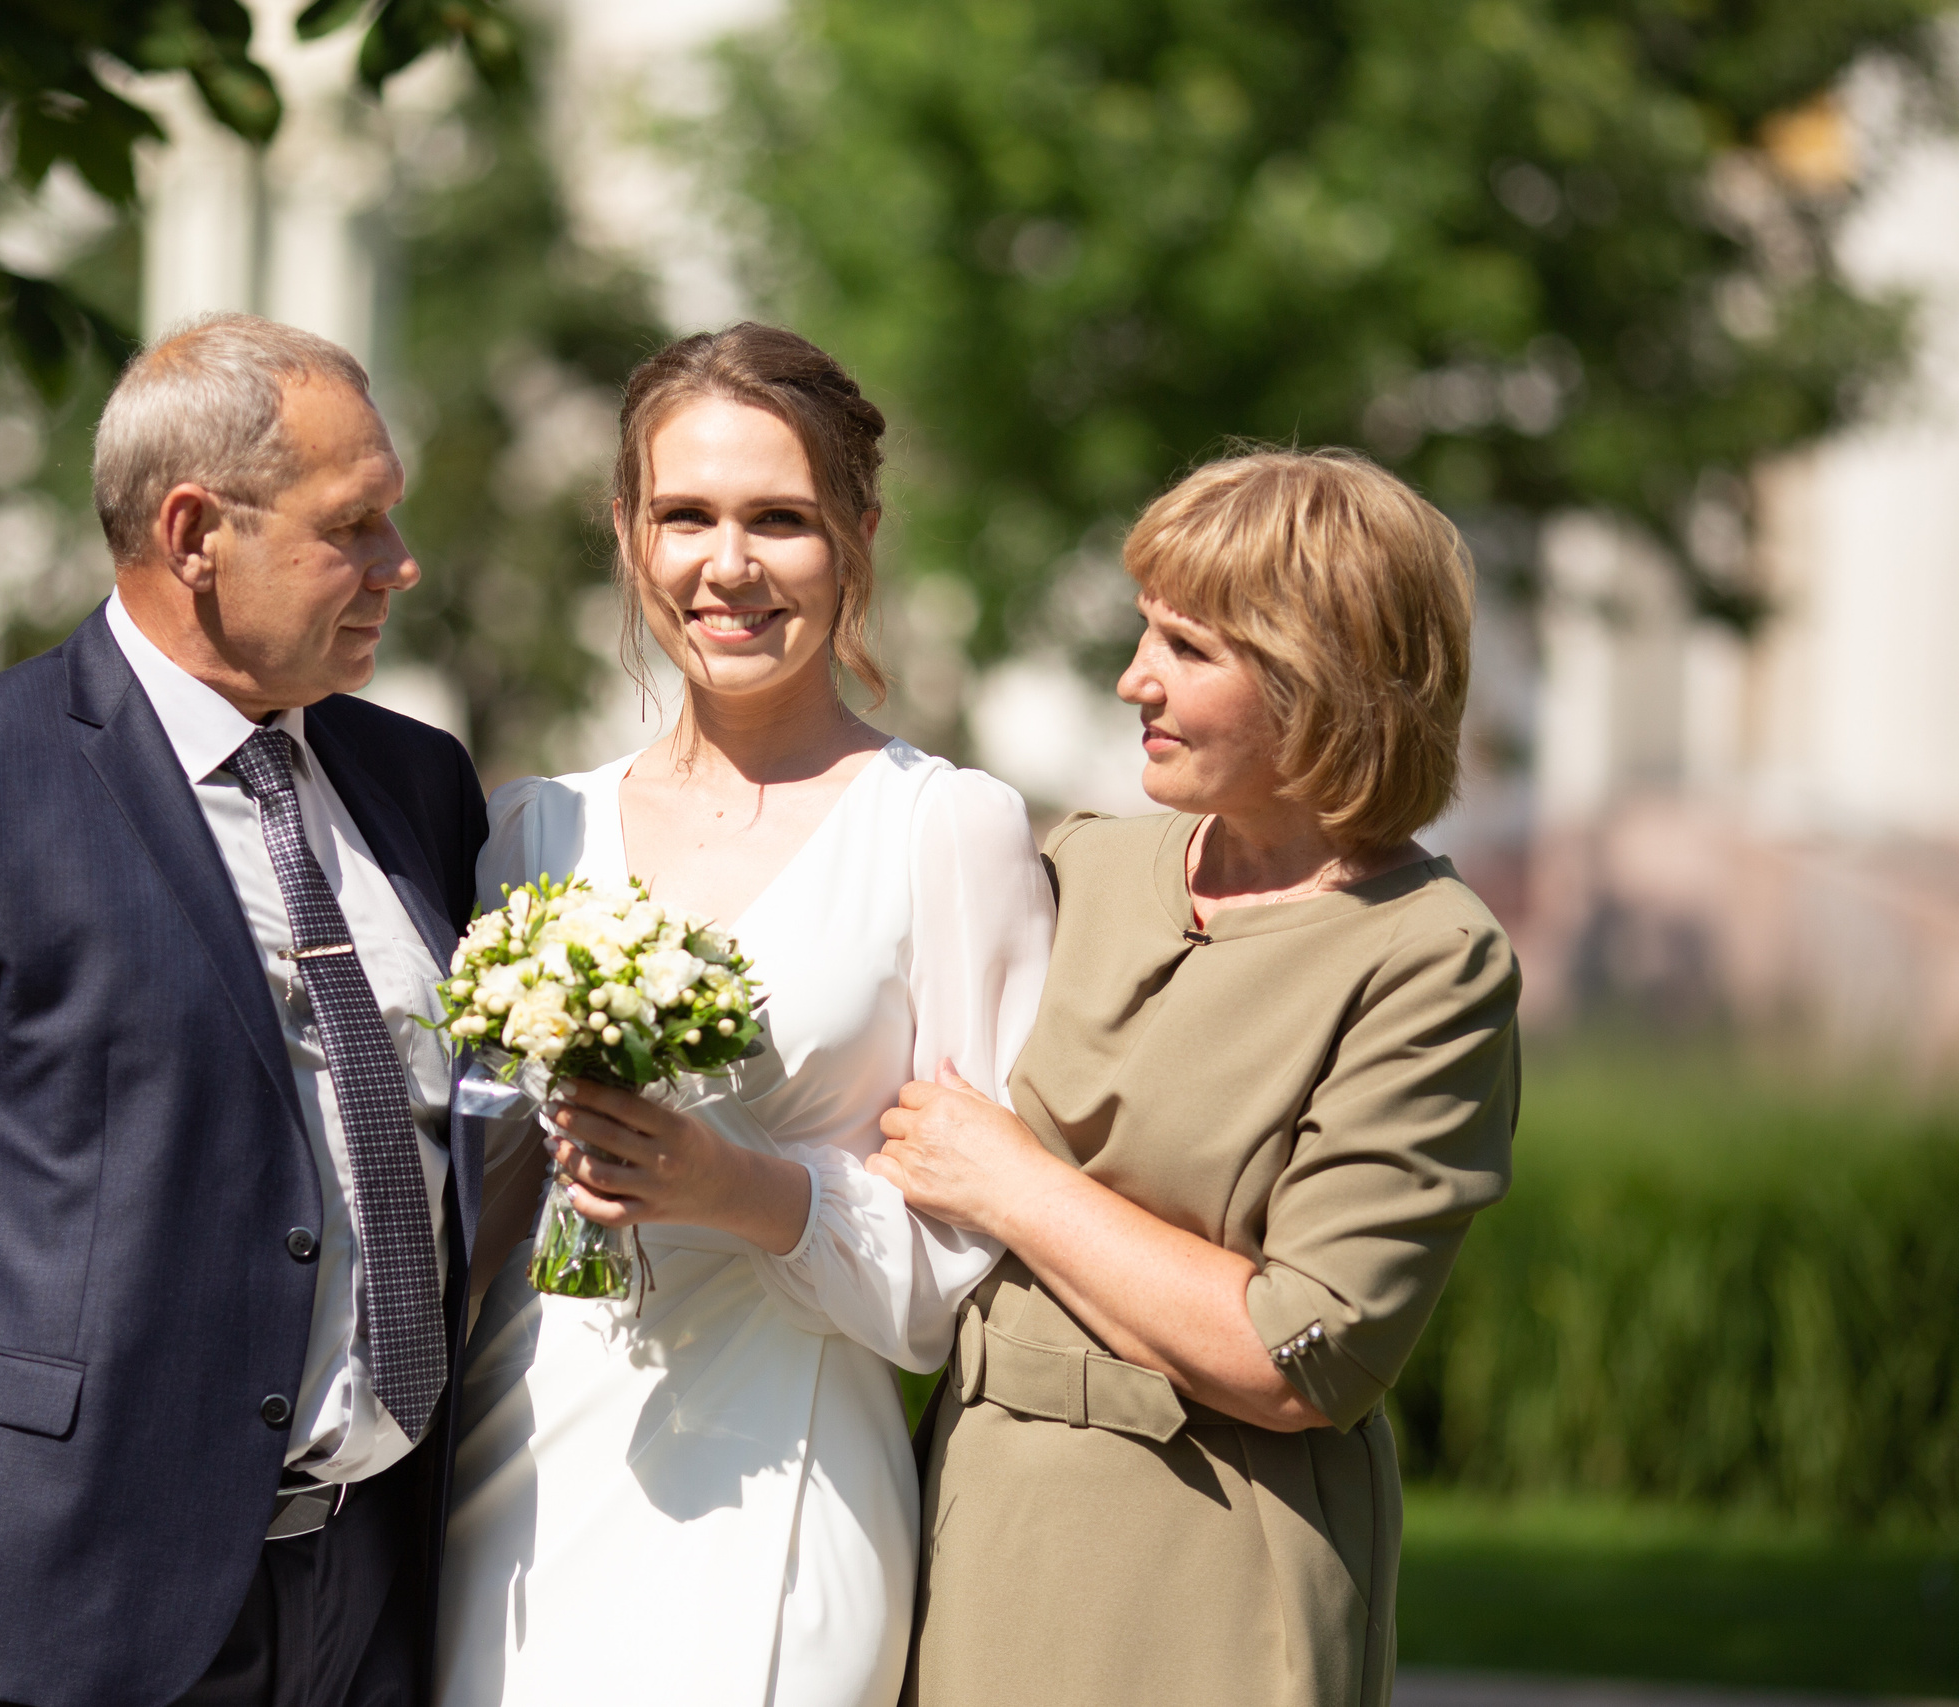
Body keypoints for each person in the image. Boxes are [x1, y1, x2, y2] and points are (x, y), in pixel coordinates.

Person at [0, 313, 489, 1707]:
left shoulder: (418, 780)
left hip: (377, 1591)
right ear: (194, 533)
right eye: (353, 526)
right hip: (61, 1603)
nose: (397, 566)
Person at [436, 325, 1055, 1707]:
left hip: (788, 1463)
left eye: (781, 518)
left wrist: (748, 1187)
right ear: (627, 531)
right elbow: (472, 1181)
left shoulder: (947, 829)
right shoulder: (540, 825)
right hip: (532, 1452)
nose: (730, 564)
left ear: (859, 538)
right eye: (686, 515)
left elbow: (970, 1257)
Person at [876, 449, 1521, 1707]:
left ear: (1319, 677)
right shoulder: (1079, 865)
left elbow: (1301, 1355)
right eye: (1143, 634)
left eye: (1189, 648)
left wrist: (1015, 1190)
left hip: (1207, 1563)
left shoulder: (1430, 959)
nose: (1135, 680)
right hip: (963, 1511)